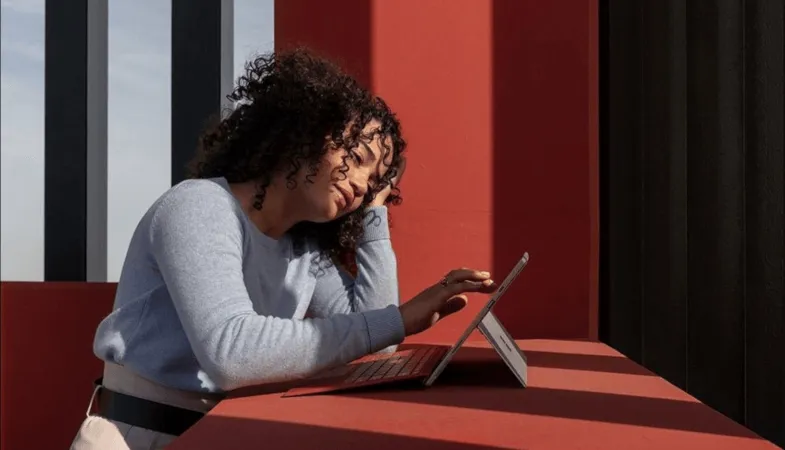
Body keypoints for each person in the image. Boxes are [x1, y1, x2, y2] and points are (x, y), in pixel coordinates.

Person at [70, 47, 496, 450]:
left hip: (227, 437)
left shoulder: (303, 249)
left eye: (377, 181)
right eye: (360, 156)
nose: (364, 183)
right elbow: (230, 352)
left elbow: (376, 341)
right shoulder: (199, 206)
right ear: (306, 131)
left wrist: (374, 214)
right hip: (140, 437)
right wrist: (401, 319)